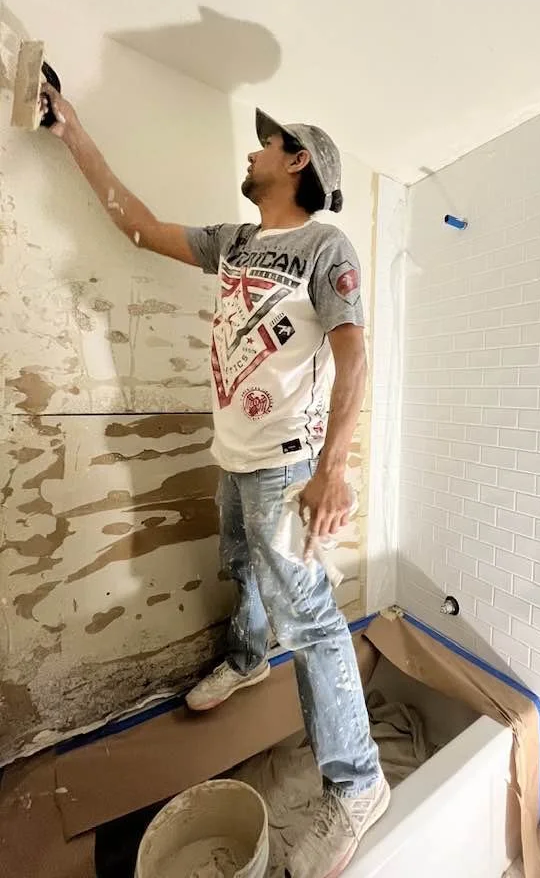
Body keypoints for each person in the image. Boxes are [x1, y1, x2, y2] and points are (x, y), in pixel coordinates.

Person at [40, 84, 389, 878]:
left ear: (296, 161)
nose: (250, 151)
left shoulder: (325, 246)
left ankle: (358, 783)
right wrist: (74, 133)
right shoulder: (235, 241)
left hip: (286, 466)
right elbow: (137, 226)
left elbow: (354, 354)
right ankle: (245, 655)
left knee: (314, 622)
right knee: (240, 569)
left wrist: (334, 467)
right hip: (234, 456)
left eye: (265, 144)